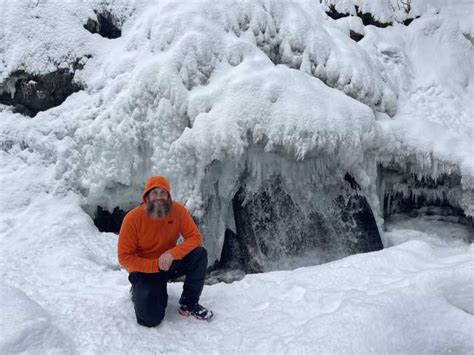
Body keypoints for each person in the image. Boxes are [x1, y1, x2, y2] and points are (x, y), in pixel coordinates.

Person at [118, 176, 213, 327]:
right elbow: (124, 258)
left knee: (199, 254)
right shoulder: (132, 218)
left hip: (168, 262)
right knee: (150, 320)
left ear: (168, 196)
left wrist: (172, 254)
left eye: (163, 193)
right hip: (144, 270)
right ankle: (138, 291)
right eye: (154, 192)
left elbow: (195, 238)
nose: (159, 197)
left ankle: (189, 303)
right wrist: (154, 266)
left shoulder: (178, 211)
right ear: (147, 196)